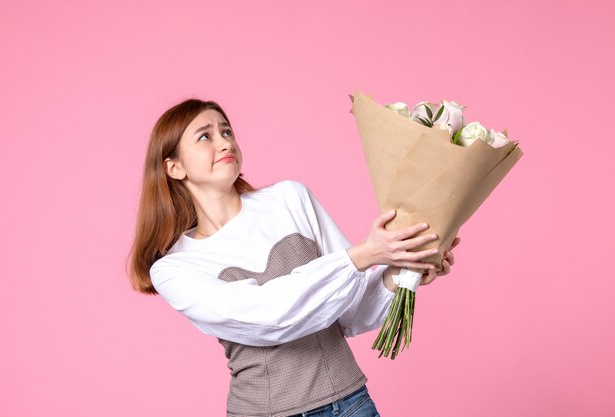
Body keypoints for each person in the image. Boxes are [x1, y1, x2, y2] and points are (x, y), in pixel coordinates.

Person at [127, 98, 460, 417]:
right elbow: (268, 316)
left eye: (226, 131)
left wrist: (402, 269)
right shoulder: (174, 269)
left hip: (348, 404)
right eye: (206, 136)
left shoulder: (290, 199)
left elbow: (351, 313)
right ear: (174, 167)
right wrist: (364, 254)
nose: (225, 142)